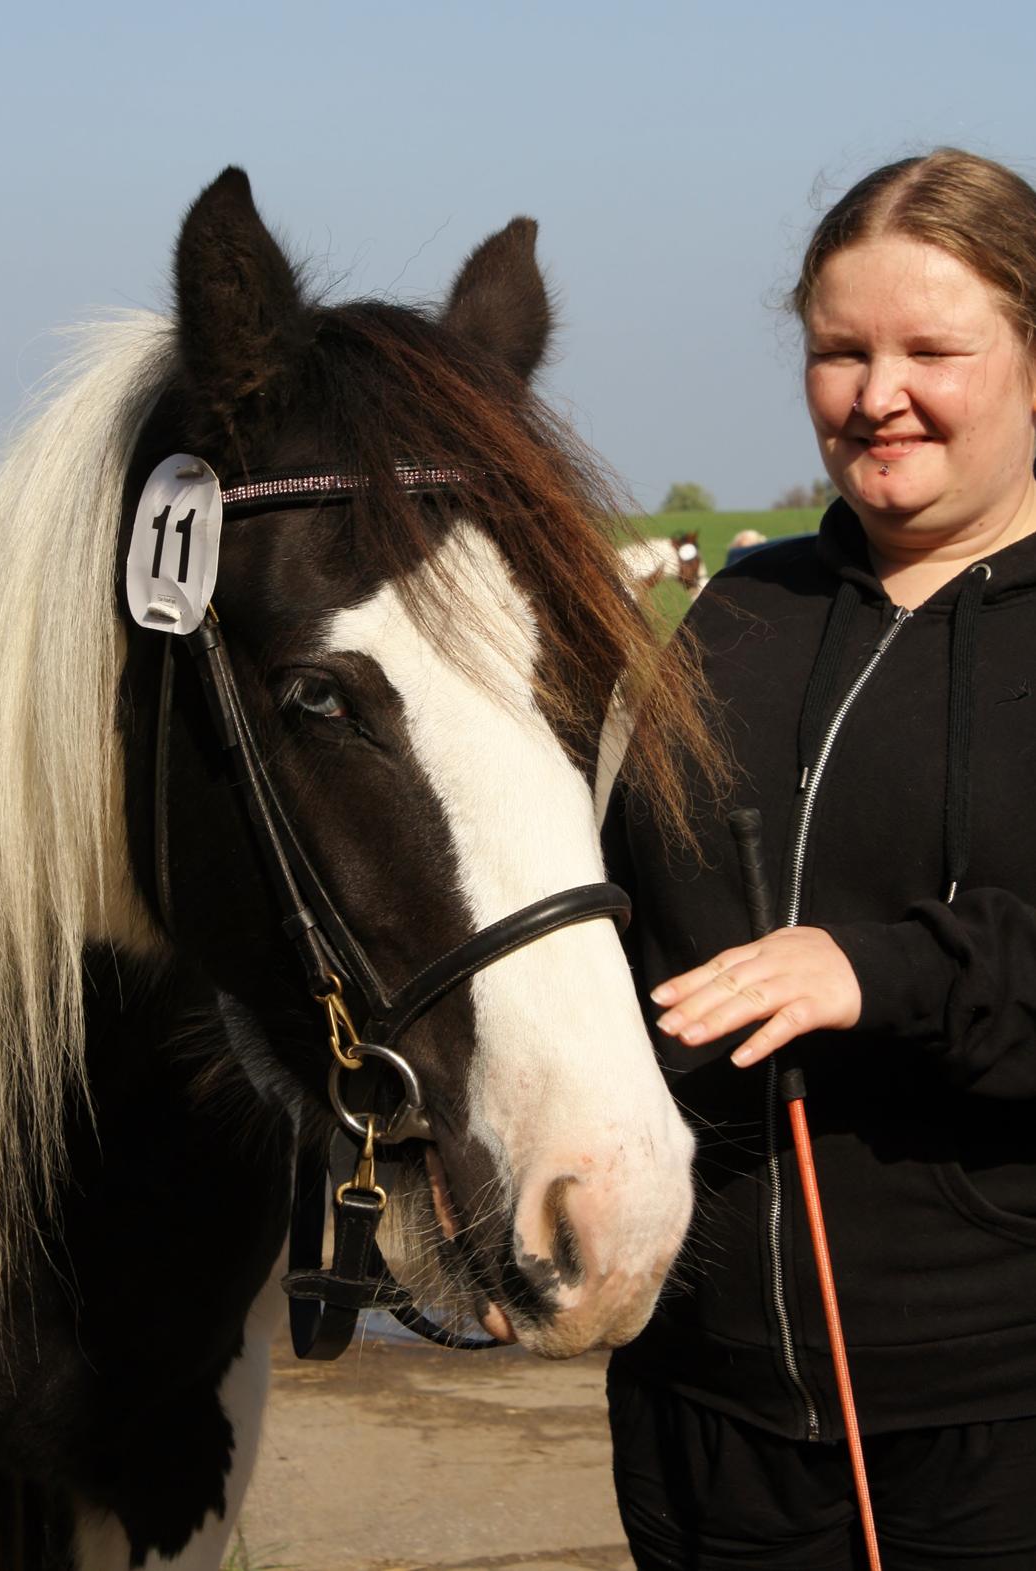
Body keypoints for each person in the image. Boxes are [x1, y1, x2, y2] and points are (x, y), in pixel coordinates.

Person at [605, 148, 1036, 1570]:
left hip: (989, 1407)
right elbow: (610, 927)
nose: (874, 395)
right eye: (837, 351)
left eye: (932, 350)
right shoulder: (739, 609)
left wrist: (879, 971)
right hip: (701, 1398)